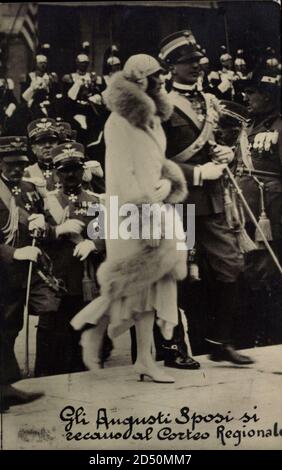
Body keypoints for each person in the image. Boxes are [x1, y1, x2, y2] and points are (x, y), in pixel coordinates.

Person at [71, 54, 188, 383]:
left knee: (153, 286)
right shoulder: (118, 121)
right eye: (156, 75)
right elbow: (121, 175)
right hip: (131, 213)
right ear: (140, 80)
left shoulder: (151, 119)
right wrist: (146, 213)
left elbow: (156, 161)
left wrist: (168, 181)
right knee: (131, 286)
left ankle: (144, 360)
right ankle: (93, 331)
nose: (163, 80)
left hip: (155, 206)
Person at [160, 30, 254, 365]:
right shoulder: (160, 106)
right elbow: (155, 161)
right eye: (187, 63)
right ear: (170, 67)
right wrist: (198, 173)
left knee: (230, 266)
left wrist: (223, 153)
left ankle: (220, 342)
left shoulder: (210, 101)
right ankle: (175, 349)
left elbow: (209, 142)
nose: (196, 67)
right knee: (178, 276)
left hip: (213, 200)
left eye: (197, 62)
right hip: (176, 201)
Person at [34, 141, 106, 376]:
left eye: (75, 168)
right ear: (56, 173)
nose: (70, 174)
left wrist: (94, 243)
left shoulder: (97, 201)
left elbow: (110, 233)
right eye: (64, 170)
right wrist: (56, 229)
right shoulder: (45, 202)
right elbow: (35, 236)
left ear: (83, 169)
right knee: (53, 333)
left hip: (87, 279)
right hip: (55, 278)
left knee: (85, 331)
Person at [0, 136, 60, 411]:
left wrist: (42, 224)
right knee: (4, 327)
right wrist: (13, 254)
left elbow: (47, 224)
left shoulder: (30, 189)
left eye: (20, 165)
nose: (16, 170)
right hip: (4, 269)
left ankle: (6, 386)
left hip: (26, 270)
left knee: (16, 325)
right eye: (10, 164)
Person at [237, 69, 282, 346]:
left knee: (269, 272)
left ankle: (273, 335)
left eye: (251, 92)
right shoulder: (246, 127)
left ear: (267, 96)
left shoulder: (279, 127)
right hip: (245, 214)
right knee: (250, 271)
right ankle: (256, 332)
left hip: (273, 215)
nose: (246, 97)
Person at [25, 117, 61, 192]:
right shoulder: (28, 173)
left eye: (51, 141)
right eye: (41, 142)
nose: (47, 145)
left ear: (58, 145)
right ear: (33, 149)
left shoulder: (70, 169)